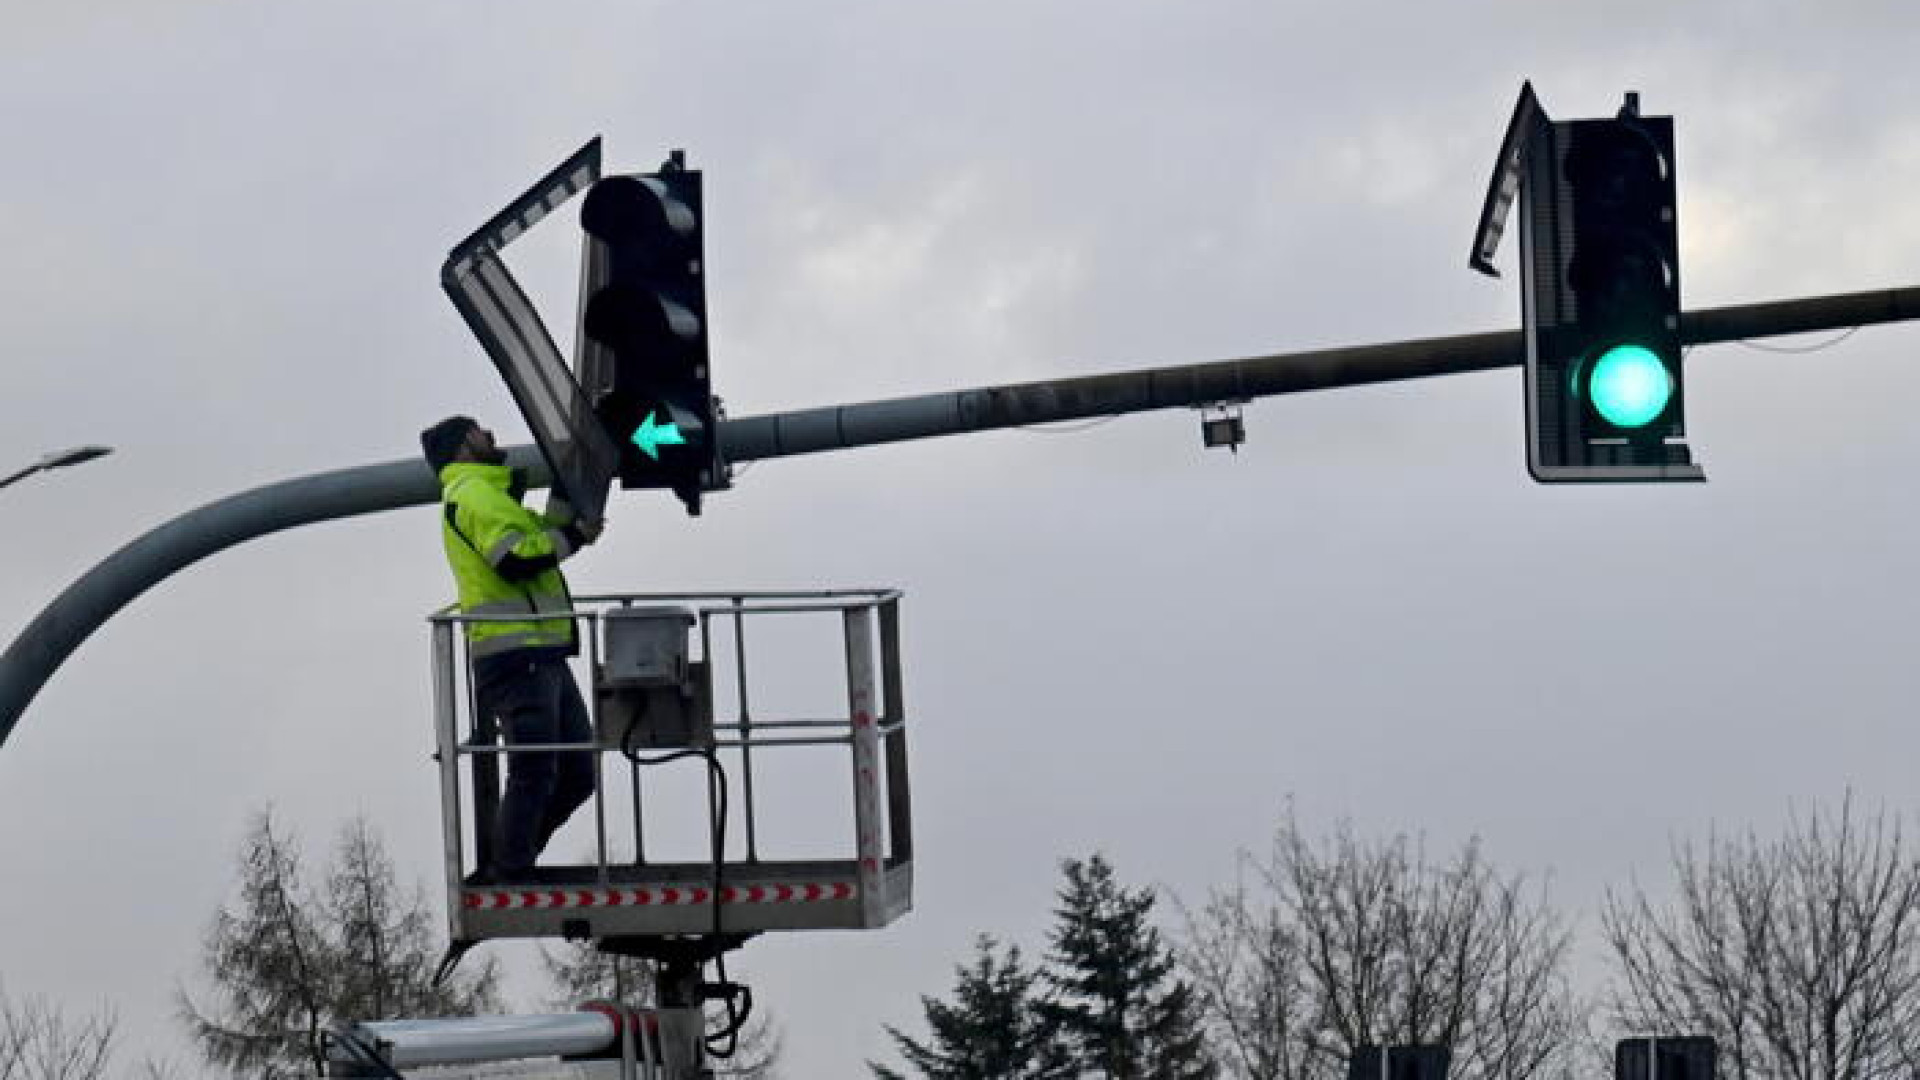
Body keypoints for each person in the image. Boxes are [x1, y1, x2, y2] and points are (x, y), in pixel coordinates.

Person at [420, 416, 604, 881]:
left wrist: (572, 504)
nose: (491, 437)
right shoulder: (472, 493)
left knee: (577, 772)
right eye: (480, 432)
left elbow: (540, 535)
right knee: (536, 769)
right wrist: (576, 536)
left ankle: (512, 860)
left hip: (539, 650)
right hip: (517, 654)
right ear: (464, 447)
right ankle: (510, 867)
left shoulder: (490, 495)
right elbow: (518, 557)